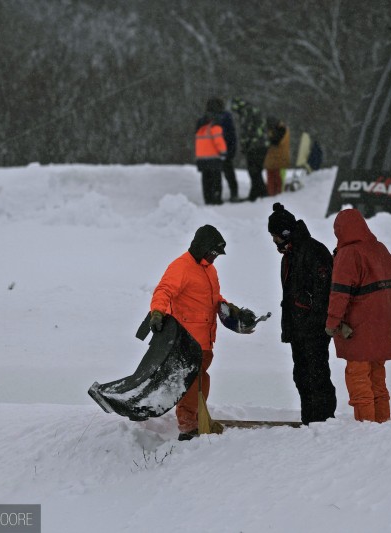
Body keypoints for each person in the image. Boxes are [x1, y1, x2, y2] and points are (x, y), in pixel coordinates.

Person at [149, 225, 249, 440]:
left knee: (202, 382)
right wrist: (157, 312)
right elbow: (163, 291)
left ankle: (195, 419)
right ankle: (188, 427)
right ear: (202, 248)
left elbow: (214, 300)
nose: (215, 258)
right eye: (213, 253)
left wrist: (231, 309)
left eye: (216, 254)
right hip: (186, 339)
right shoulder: (181, 267)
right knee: (191, 384)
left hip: (206, 340)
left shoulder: (209, 270)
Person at [325, 208, 391, 423]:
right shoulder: (379, 249)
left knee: (358, 380)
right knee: (378, 378)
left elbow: (339, 293)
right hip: (384, 326)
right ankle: (382, 423)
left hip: (359, 328)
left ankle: (367, 428)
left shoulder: (349, 254)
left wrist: (332, 322)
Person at [268, 202, 337, 423]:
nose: (274, 241)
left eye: (275, 236)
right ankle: (310, 422)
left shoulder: (314, 252)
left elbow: (323, 295)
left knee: (318, 377)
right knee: (302, 377)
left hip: (314, 330)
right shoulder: (289, 255)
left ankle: (324, 422)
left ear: (286, 234)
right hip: (298, 329)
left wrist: (312, 323)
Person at [230, 97, 268, 201]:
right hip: (262, 145)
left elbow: (247, 131)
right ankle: (254, 195)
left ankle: (263, 194)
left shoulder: (246, 112)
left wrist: (244, 145)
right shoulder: (253, 109)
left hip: (255, 146)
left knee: (254, 172)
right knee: (256, 171)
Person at [206, 97, 239, 201]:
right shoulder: (226, 116)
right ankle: (234, 194)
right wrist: (232, 149)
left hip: (214, 151)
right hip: (225, 149)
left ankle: (217, 195)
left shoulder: (208, 117)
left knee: (216, 175)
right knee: (229, 174)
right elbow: (231, 135)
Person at [195, 102, 228, 205]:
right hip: (213, 157)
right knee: (216, 180)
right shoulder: (215, 124)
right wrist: (223, 152)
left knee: (206, 180)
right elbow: (218, 140)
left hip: (201, 157)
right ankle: (216, 199)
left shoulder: (201, 124)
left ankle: (208, 199)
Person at [264, 116, 291, 196]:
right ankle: (272, 195)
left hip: (279, 160)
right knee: (272, 180)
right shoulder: (280, 129)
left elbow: (276, 141)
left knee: (278, 182)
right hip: (273, 160)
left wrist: (269, 137)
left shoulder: (282, 129)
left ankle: (277, 196)